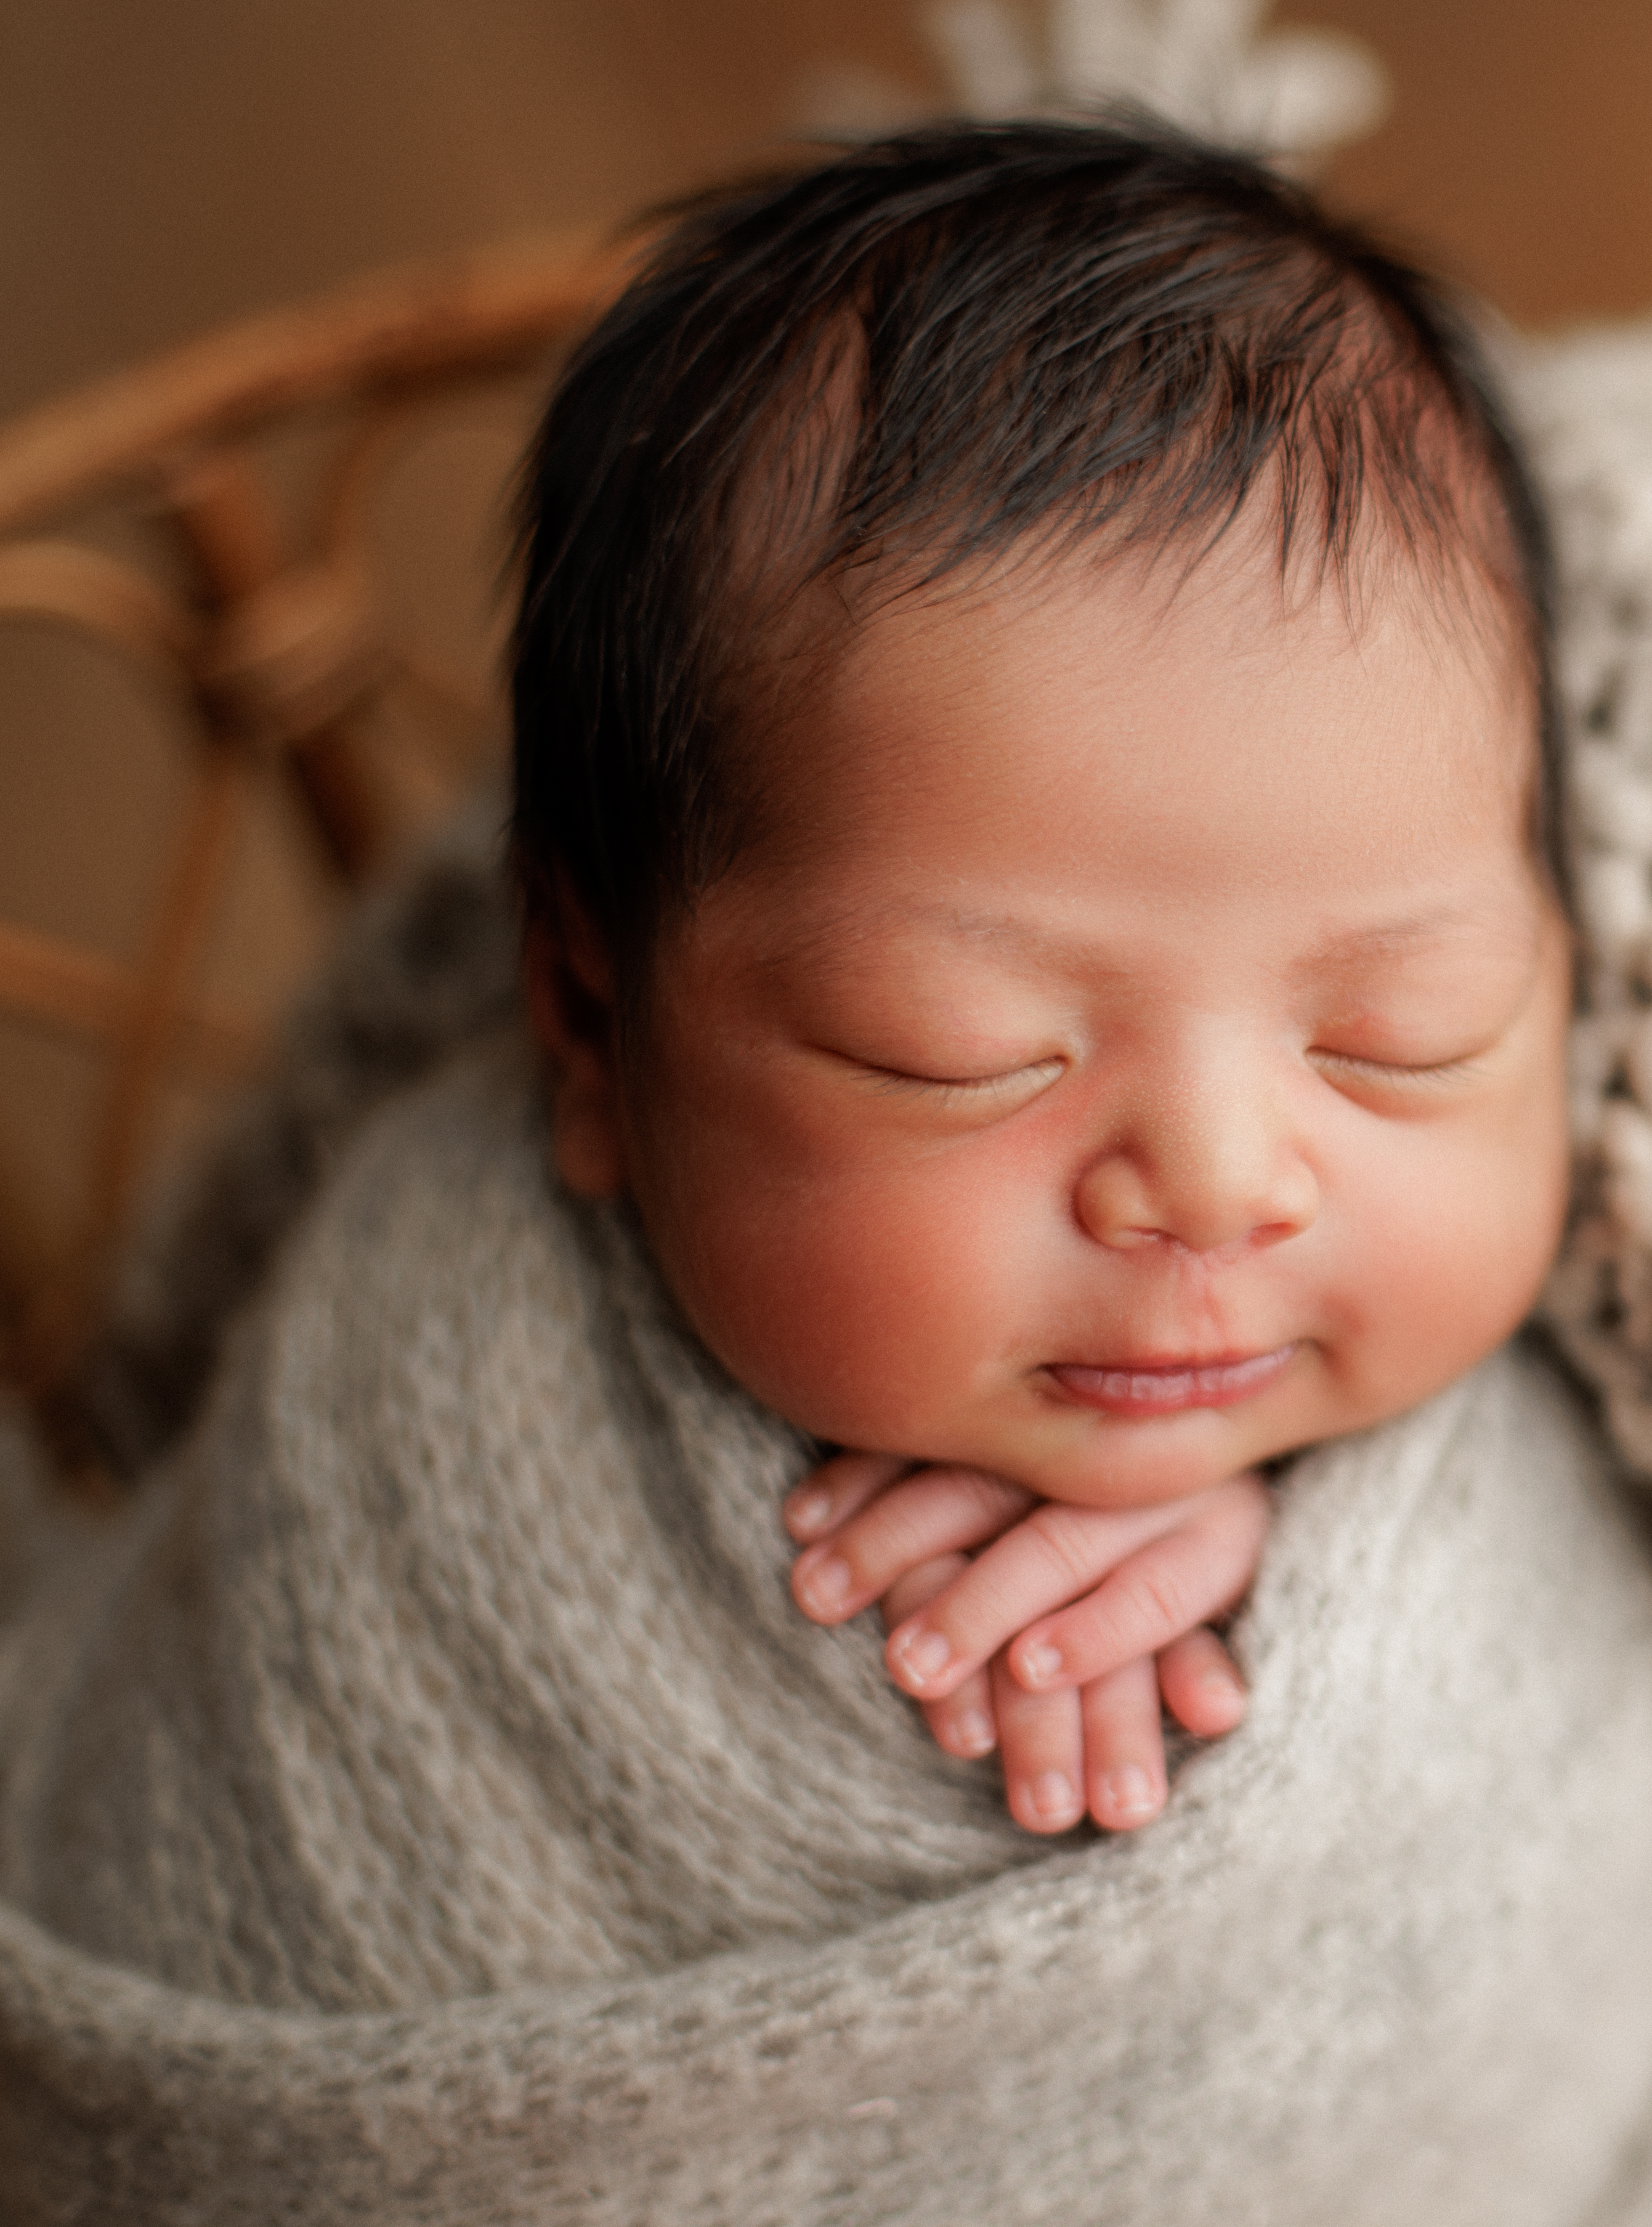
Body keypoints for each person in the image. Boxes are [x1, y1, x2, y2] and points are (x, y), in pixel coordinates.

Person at [510, 115, 1572, 1843]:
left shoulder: (1601, 1399)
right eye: (958, 1053)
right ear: (584, 1018)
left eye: (1403, 1036)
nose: (1220, 1184)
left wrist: (1308, 1540)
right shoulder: (479, 1406)